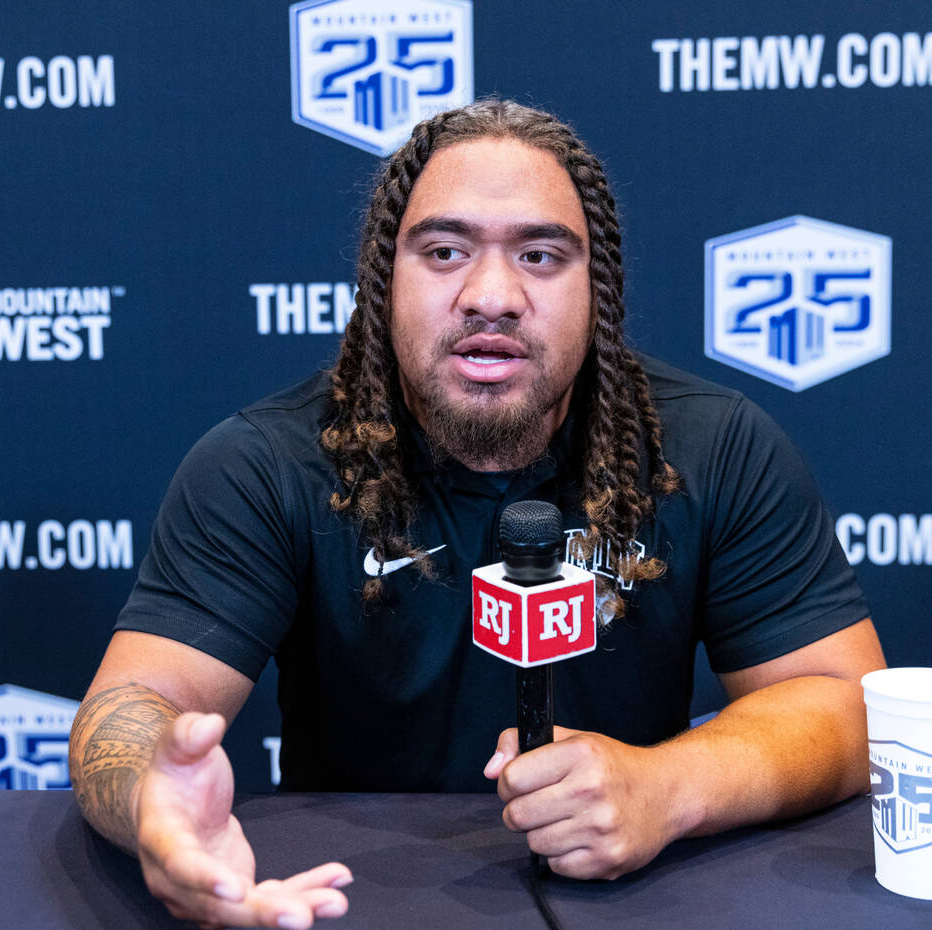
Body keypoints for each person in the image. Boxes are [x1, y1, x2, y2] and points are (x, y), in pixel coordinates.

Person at [68, 99, 886, 928]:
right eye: (445, 251)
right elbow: (137, 700)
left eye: (539, 254)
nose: (490, 295)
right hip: (353, 899)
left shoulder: (715, 446)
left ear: (596, 289)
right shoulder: (265, 463)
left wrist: (666, 788)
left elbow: (847, 705)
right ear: (384, 279)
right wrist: (152, 806)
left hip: (634, 904)